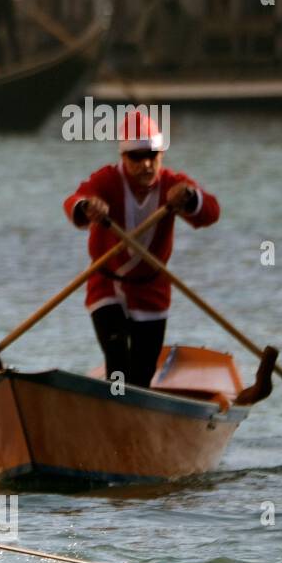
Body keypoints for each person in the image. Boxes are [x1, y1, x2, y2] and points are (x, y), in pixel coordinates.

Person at [64, 111, 220, 389]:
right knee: (117, 361)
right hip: (106, 285)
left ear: (161, 154)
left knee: (142, 374)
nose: (146, 164)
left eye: (153, 155)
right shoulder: (106, 180)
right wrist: (88, 207)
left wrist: (189, 198)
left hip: (152, 289)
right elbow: (74, 201)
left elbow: (210, 212)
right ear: (123, 157)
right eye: (136, 157)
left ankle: (134, 414)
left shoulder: (174, 184)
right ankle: (115, 409)